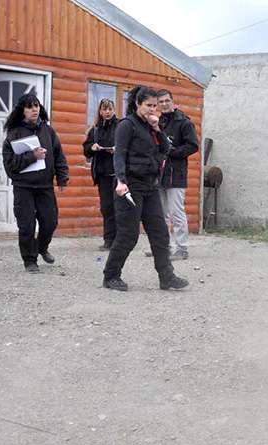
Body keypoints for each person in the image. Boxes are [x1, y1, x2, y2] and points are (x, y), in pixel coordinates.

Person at [102, 86, 188, 292]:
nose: (152, 109)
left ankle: (167, 277)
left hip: (150, 187)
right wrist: (121, 181)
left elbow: (167, 150)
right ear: (137, 104)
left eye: (155, 106)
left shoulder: (152, 127)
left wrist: (158, 129)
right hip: (130, 187)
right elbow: (119, 155)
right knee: (128, 235)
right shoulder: (126, 125)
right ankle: (111, 276)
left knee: (160, 234)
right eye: (148, 105)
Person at [2, 92, 68, 273]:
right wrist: (32, 156)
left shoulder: (48, 131)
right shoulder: (13, 134)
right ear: (22, 111)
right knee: (27, 226)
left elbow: (59, 156)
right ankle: (30, 260)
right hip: (23, 188)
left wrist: (62, 177)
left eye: (37, 106)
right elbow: (10, 166)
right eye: (30, 107)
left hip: (45, 186)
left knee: (50, 222)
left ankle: (41, 248)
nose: (34, 110)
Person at [156, 89, 198, 261]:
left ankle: (182, 248)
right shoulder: (158, 122)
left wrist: (172, 152)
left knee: (176, 212)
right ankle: (164, 247)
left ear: (172, 102)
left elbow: (193, 145)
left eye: (167, 101)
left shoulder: (184, 122)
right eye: (161, 102)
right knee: (161, 213)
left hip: (176, 174)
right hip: (159, 174)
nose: (164, 104)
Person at [83, 98, 119, 251]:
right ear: (100, 111)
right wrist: (93, 147)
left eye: (110, 109)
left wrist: (118, 149)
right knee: (106, 208)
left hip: (119, 174)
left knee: (120, 208)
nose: (107, 112)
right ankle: (108, 240)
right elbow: (86, 149)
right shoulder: (95, 129)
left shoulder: (121, 126)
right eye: (104, 109)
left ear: (114, 110)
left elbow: (129, 145)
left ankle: (120, 241)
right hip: (103, 174)